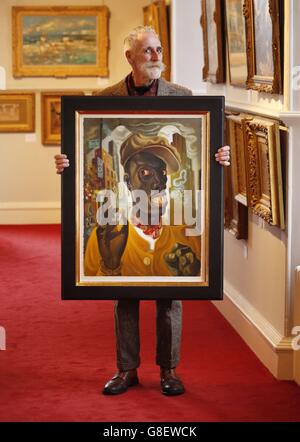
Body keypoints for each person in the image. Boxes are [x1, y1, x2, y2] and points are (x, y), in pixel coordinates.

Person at [55, 26, 230, 396]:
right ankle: (127, 370)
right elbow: (80, 154)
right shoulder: (104, 100)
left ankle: (169, 370)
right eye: (148, 50)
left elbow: (208, 144)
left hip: (168, 227)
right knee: (125, 294)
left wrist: (219, 156)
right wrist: (65, 162)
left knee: (171, 296)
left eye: (159, 49)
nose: (156, 56)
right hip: (127, 226)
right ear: (130, 57)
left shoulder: (182, 97)